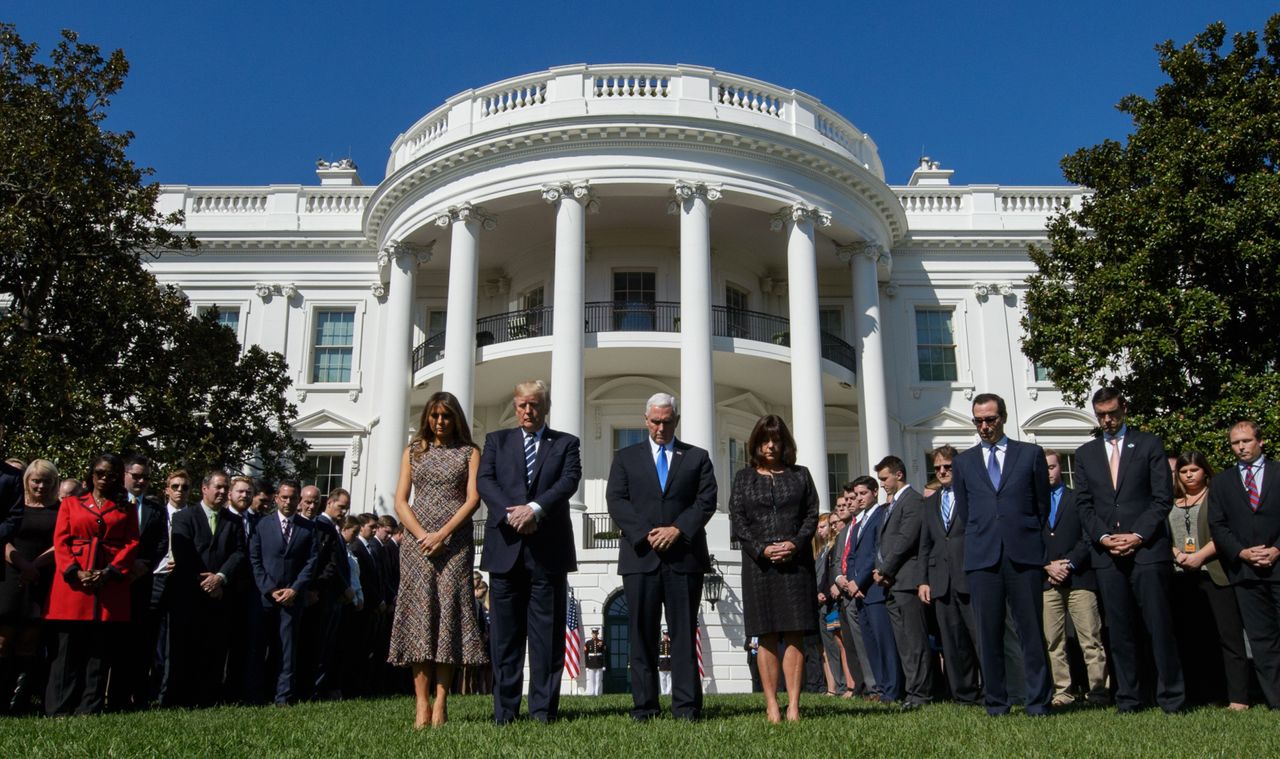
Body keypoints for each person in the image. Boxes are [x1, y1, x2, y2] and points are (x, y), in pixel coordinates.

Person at [606, 392, 717, 722]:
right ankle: (645, 707)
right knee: (641, 636)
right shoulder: (625, 458)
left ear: (676, 421)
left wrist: (677, 530)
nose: (660, 428)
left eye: (667, 422)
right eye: (655, 421)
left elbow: (706, 500)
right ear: (645, 420)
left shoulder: (697, 457)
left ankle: (686, 708)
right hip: (640, 557)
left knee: (683, 634)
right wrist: (647, 534)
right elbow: (617, 500)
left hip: (684, 558)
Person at [477, 379, 581, 725]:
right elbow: (485, 482)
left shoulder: (566, 444)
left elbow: (567, 482)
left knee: (546, 640)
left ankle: (542, 712)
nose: (527, 410)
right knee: (505, 639)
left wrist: (535, 509)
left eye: (534, 404)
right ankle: (504, 713)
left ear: (545, 406)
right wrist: (515, 513)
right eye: (522, 404)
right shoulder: (496, 441)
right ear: (515, 405)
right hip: (505, 550)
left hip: (547, 552)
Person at [1075, 387, 1185, 713]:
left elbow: (1162, 497)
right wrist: (1105, 537)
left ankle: (1171, 698)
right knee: (1119, 631)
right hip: (1107, 555)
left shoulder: (1149, 444)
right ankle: (1128, 698)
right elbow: (1084, 504)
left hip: (1148, 551)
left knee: (1159, 626)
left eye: (1112, 413)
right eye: (1101, 415)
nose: (1107, 420)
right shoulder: (1085, 454)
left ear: (1124, 408)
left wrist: (1137, 534)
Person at [388, 391, 487, 729]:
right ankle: (420, 703)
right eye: (434, 416)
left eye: (446, 416)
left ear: (455, 418)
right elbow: (400, 501)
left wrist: (442, 534)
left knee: (448, 617)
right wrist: (421, 536)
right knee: (419, 619)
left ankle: (441, 702)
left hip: (455, 543)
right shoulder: (414, 451)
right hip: (417, 545)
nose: (440, 422)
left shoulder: (470, 452)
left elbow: (473, 499)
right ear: (427, 418)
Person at [950, 393, 1052, 716]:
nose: (984, 426)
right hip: (983, 557)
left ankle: (1038, 701)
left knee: (1031, 632)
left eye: (990, 419)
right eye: (978, 420)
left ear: (1003, 418)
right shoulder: (963, 463)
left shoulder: (1030, 454)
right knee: (988, 634)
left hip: (1023, 554)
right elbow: (966, 513)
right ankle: (996, 702)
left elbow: (1041, 506)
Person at [728, 413, 818, 722]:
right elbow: (737, 518)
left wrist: (794, 544)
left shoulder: (801, 475)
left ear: (784, 443)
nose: (770, 446)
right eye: (765, 440)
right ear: (755, 444)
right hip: (759, 566)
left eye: (776, 440)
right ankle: (771, 704)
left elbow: (811, 515)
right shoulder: (744, 478)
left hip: (796, 565)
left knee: (794, 633)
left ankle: (793, 704)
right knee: (764, 633)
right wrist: (761, 548)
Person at [44, 454, 140, 716]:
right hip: (74, 586)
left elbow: (131, 543)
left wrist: (110, 571)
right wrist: (75, 571)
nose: (104, 478)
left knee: (100, 651)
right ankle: (59, 707)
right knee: (67, 652)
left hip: (108, 586)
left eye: (110, 474)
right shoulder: (72, 504)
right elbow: (61, 541)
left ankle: (90, 706)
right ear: (91, 474)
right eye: (100, 473)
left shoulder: (127, 508)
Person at [1208, 421, 1280, 708]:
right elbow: (1217, 524)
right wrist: (1241, 553)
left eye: (1247, 441)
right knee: (1262, 640)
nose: (1241, 447)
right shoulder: (1223, 482)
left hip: (1278, 565)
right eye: (1236, 443)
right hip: (1246, 572)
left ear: (1260, 442)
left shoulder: (1278, 473)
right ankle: (1275, 700)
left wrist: (1276, 550)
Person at [1170, 450, 1249, 709]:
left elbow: (1225, 531)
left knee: (1228, 636)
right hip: (1181, 576)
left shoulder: (1217, 496)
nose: (1189, 474)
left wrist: (1199, 557)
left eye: (1194, 469)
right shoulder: (1171, 501)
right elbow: (1163, 534)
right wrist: (1177, 554)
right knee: (1192, 636)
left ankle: (1237, 697)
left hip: (1214, 573)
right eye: (1183, 471)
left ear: (1205, 471)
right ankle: (1200, 694)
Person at [165, 470, 245, 707]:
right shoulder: (184, 517)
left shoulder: (235, 521)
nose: (222, 492)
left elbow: (239, 552)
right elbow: (183, 553)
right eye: (218, 487)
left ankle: (209, 697)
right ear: (204, 488)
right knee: (185, 648)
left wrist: (220, 578)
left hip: (220, 595)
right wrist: (205, 582)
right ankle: (181, 698)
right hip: (189, 594)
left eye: (225, 488)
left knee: (215, 648)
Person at [1040, 448, 1108, 707]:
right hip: (1048, 581)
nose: (1048, 472)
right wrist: (1047, 565)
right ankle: (1063, 693)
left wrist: (1068, 563)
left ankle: (1098, 691)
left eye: (1052, 466)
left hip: (1080, 578)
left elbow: (1089, 535)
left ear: (1061, 468)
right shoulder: (1034, 503)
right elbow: (1030, 539)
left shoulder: (1078, 498)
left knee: (1090, 639)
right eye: (1043, 467)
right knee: (1054, 642)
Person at [918, 445, 981, 706]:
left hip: (969, 575)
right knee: (953, 642)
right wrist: (923, 580)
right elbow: (925, 544)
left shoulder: (972, 496)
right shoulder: (930, 502)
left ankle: (992, 690)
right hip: (941, 580)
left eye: (947, 467)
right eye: (938, 468)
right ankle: (964, 695)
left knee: (979, 637)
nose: (942, 472)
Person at [250, 479, 319, 706]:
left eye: (293, 498)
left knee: (287, 650)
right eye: (284, 497)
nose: (288, 502)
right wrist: (270, 589)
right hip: (265, 598)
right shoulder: (262, 525)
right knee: (261, 647)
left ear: (299, 500)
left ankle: (284, 696)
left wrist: (295, 589)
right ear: (277, 498)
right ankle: (258, 694)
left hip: (292, 598)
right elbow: (255, 559)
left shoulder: (308, 528)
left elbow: (311, 561)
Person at [872, 455, 934, 709]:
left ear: (899, 475)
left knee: (915, 640)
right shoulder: (894, 504)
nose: (883, 484)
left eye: (885, 478)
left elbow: (905, 540)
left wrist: (884, 569)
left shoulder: (913, 501)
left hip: (906, 580)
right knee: (904, 642)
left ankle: (922, 694)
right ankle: (912, 692)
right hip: (892, 582)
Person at [108, 454, 168, 711]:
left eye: (145, 477)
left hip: (142, 582)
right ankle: (110, 696)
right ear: (124, 476)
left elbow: (161, 544)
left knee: (139, 644)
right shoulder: (112, 504)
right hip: (113, 582)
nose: (141, 481)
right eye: (136, 476)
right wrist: (122, 566)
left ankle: (136, 697)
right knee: (113, 643)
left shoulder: (155, 509)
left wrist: (144, 566)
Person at [0, 460, 59, 713]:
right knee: (3, 640)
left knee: (29, 641)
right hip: (11, 574)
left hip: (41, 577)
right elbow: (3, 538)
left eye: (46, 481)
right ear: (26, 481)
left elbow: (62, 542)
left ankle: (19, 702)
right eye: (36, 480)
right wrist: (23, 564)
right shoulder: (15, 507)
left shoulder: (60, 509)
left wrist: (35, 566)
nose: (41, 485)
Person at [843, 475, 900, 703]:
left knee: (884, 642)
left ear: (875, 492)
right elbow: (853, 556)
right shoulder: (859, 521)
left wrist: (860, 580)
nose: (859, 498)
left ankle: (892, 689)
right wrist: (850, 582)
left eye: (863, 494)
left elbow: (875, 552)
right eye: (856, 495)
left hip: (873, 590)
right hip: (858, 592)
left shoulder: (880, 515)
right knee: (870, 645)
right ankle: (880, 688)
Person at [584, 628, 606, 696]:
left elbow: (604, 654)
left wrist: (604, 665)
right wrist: (586, 665)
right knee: (591, 680)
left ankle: (597, 693)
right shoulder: (588, 642)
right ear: (592, 634)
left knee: (598, 679)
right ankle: (592, 692)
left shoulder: (602, 642)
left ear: (598, 634)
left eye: (596, 634)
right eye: (593, 633)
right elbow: (586, 655)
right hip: (591, 663)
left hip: (599, 663)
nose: (595, 635)